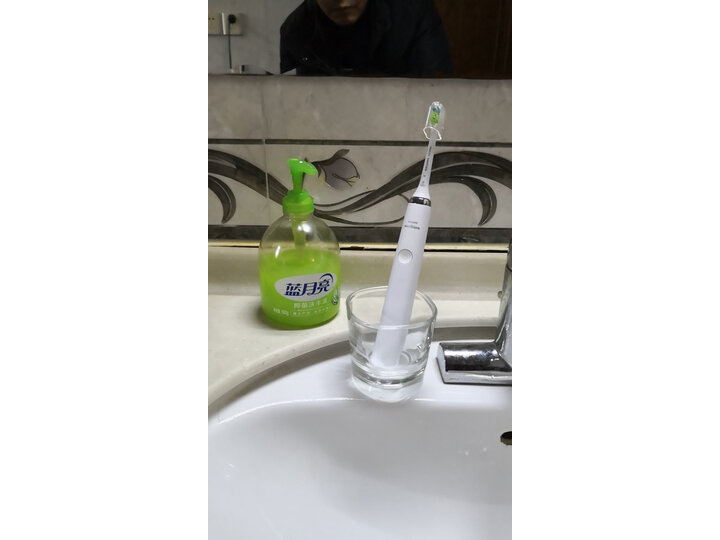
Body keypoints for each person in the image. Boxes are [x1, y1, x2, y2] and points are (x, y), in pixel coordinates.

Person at [280, 0, 454, 77]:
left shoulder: (412, 12)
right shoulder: (295, 31)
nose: (343, 1)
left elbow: (440, 98)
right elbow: (298, 111)